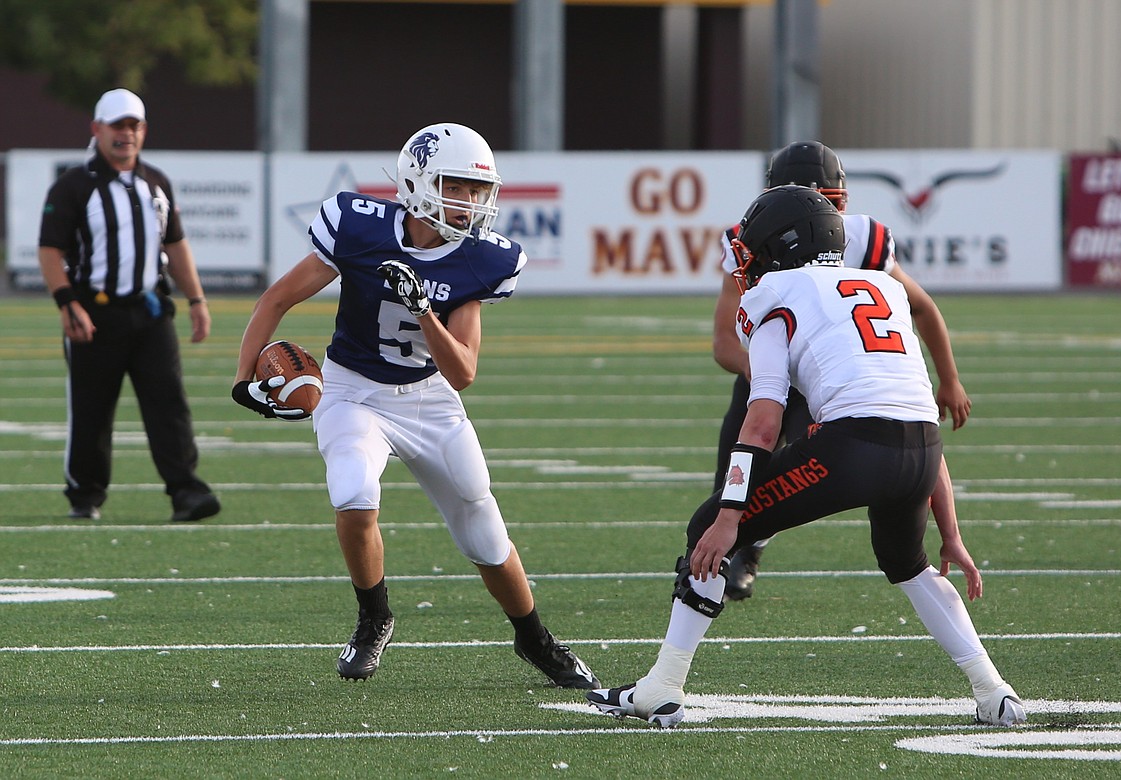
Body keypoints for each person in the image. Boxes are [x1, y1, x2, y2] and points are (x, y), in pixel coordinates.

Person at [587, 185, 1024, 728]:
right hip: (921, 452)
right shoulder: (882, 286)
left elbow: (764, 420)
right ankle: (994, 691)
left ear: (779, 246)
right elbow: (913, 412)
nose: (747, 261)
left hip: (855, 449)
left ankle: (663, 687)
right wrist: (951, 532)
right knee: (909, 563)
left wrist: (729, 519)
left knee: (707, 529)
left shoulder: (779, 297)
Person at [231, 122, 600, 689]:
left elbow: (464, 372)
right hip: (353, 388)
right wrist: (242, 379)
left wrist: (424, 308)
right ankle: (373, 617)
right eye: (459, 187)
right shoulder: (359, 228)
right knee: (353, 493)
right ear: (420, 181)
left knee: (483, 525)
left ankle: (535, 640)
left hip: (430, 399)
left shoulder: (479, 259)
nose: (472, 203)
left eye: (479, 191)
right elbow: (277, 297)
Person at [712, 141, 972, 601]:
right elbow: (724, 342)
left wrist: (948, 378)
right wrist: (774, 377)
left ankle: (745, 544)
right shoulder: (757, 237)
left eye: (834, 202)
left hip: (846, 382)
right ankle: (732, 552)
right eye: (820, 201)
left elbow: (923, 308)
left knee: (775, 480)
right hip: (773, 369)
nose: (828, 213)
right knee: (733, 478)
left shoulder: (866, 239)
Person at [37, 88, 221, 524]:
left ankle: (186, 492)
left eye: (133, 125)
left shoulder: (155, 181)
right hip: (94, 313)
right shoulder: (73, 187)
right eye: (117, 125)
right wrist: (67, 304)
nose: (126, 134)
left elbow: (174, 243)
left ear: (144, 130)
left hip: (150, 311)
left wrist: (197, 299)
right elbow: (49, 251)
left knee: (168, 402)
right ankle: (85, 495)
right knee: (91, 407)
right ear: (97, 129)